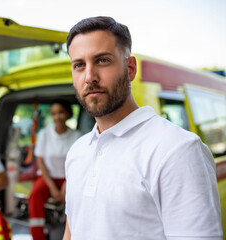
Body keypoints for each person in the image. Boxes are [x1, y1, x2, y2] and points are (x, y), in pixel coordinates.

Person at [63, 16, 223, 240]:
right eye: (79, 65)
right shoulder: (77, 152)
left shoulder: (178, 150)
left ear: (130, 68)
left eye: (102, 61)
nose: (89, 77)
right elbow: (72, 232)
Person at [28, 99, 81, 240]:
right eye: (54, 114)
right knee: (34, 195)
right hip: (47, 177)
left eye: (61, 113)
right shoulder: (44, 134)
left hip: (68, 178)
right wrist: (52, 187)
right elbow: (40, 161)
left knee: (77, 197)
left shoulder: (77, 136)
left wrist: (67, 183)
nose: (57, 117)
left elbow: (78, 164)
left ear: (68, 114)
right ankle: (38, 236)